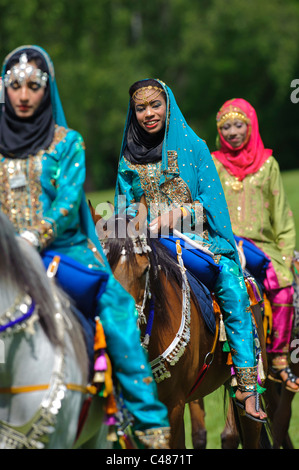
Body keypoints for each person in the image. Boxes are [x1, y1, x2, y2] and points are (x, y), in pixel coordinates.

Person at [0, 45, 170, 448]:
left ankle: (145, 420)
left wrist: (33, 235)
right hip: (5, 255)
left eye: (34, 86)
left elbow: (67, 201)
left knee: (116, 304)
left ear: (47, 90)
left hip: (61, 251)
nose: (24, 94)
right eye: (15, 85)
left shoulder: (66, 142)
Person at [113, 78, 267, 422]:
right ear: (133, 112)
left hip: (196, 241)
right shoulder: (127, 157)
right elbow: (123, 209)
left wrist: (176, 216)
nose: (149, 114)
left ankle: (246, 384)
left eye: (156, 105)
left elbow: (212, 205)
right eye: (141, 108)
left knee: (231, 281)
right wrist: (131, 222)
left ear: (168, 105)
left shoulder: (194, 147)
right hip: (146, 246)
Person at [212, 98, 298, 392]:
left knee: (284, 282)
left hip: (262, 246)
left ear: (251, 126)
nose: (232, 132)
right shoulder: (213, 163)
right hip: (223, 243)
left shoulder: (268, 164)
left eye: (238, 125)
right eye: (226, 127)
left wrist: (286, 254)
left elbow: (282, 214)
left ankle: (279, 360)